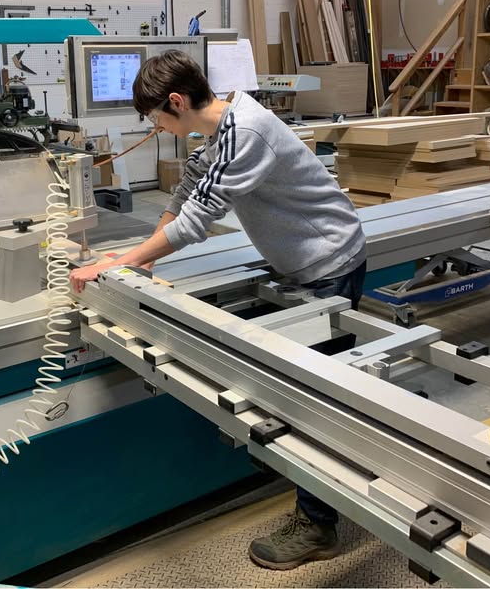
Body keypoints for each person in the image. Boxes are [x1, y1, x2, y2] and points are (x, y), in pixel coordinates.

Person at [70, 50, 367, 571]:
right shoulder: (222, 128)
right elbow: (186, 193)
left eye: (156, 117)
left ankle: (318, 526)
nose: (157, 128)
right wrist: (137, 259)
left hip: (328, 262)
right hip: (298, 263)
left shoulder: (247, 132)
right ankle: (299, 476)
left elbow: (195, 222)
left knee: (309, 401)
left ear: (177, 101)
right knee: (285, 384)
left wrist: (120, 262)